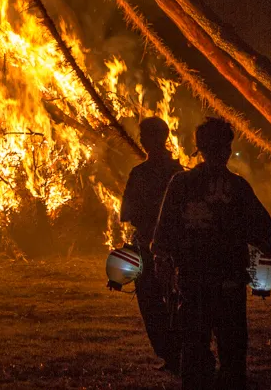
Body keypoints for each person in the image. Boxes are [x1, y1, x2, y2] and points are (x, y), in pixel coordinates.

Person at [152, 117, 271, 390]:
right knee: (226, 353)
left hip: (200, 283)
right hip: (220, 283)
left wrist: (165, 262)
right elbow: (265, 232)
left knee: (199, 351)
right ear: (225, 149)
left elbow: (162, 236)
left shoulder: (183, 184)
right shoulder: (236, 188)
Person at [120, 117, 182, 373]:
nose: (144, 140)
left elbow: (127, 213)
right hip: (172, 247)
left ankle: (172, 353)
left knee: (154, 303)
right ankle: (175, 354)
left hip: (153, 247)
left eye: (146, 135)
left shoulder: (142, 173)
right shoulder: (178, 172)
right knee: (172, 302)